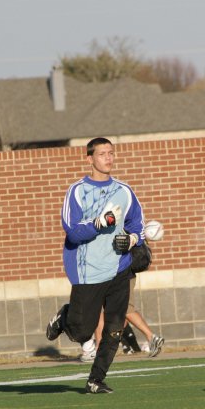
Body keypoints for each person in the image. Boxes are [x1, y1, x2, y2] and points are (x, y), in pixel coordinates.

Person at [46, 136, 144, 393]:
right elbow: (72, 231)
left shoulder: (124, 191)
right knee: (81, 332)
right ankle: (65, 316)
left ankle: (95, 380)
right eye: (102, 154)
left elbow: (137, 225)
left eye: (111, 153)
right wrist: (97, 224)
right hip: (88, 271)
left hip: (119, 269)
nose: (108, 158)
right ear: (89, 159)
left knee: (114, 330)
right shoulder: (77, 191)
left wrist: (131, 239)